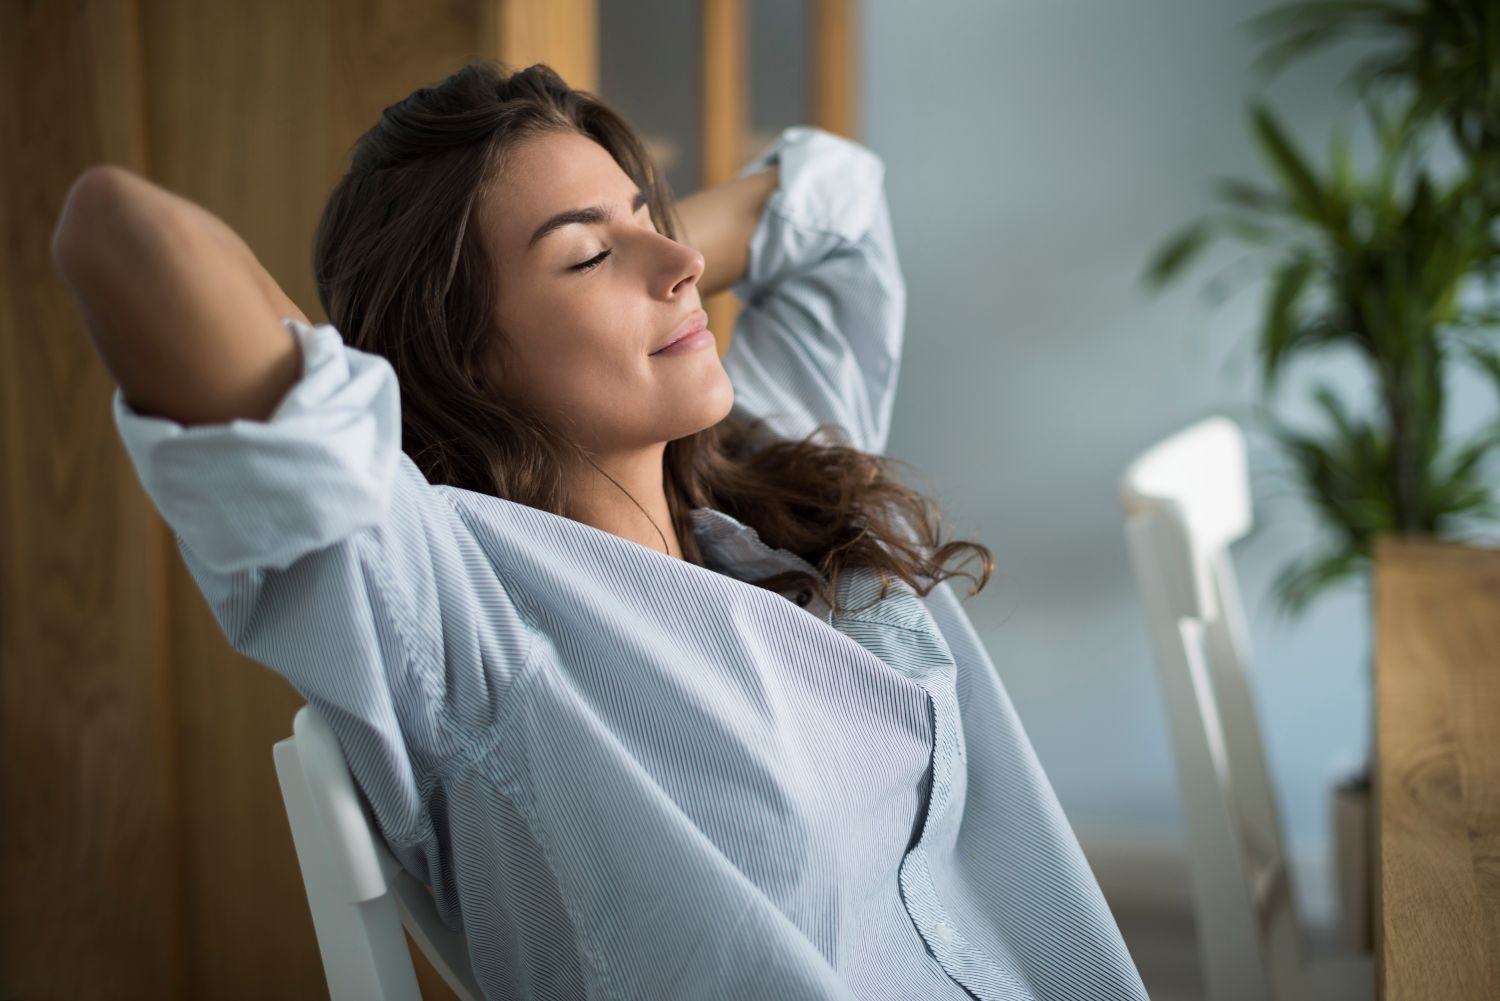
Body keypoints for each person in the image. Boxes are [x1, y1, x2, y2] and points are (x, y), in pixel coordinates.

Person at [52, 60, 1147, 1001]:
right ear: (465, 353)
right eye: (587, 257)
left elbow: (841, 208)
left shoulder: (764, 474)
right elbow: (120, 231)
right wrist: (396, 362)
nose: (684, 269)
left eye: (653, 218)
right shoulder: (467, 622)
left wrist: (617, 241)